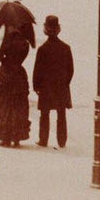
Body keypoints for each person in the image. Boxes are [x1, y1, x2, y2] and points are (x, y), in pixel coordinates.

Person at [32, 15, 73, 149]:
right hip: (61, 86)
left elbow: (37, 70)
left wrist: (36, 85)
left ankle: (43, 139)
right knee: (61, 113)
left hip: (46, 87)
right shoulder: (66, 48)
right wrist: (65, 82)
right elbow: (70, 70)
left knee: (45, 113)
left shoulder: (43, 49)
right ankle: (62, 141)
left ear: (46, 30)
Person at [0, 31, 30, 147]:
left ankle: (5, 137)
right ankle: (16, 138)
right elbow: (23, 56)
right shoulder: (24, 42)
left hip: (7, 72)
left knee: (4, 107)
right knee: (18, 107)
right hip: (19, 75)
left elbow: (0, 56)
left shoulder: (8, 39)